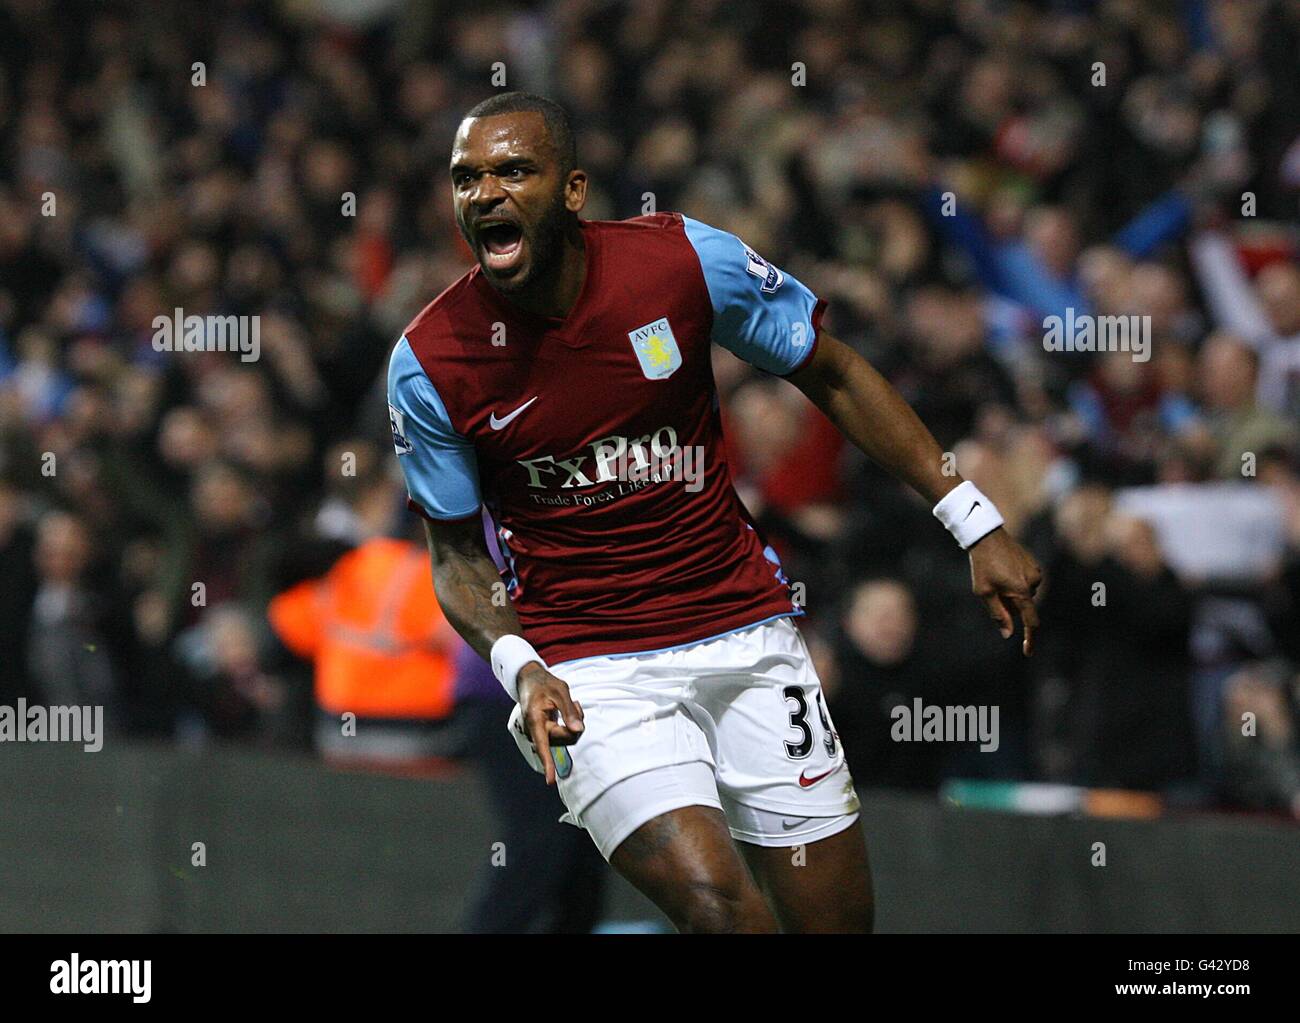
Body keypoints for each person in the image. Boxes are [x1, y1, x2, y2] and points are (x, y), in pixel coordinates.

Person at [386, 92, 1042, 933]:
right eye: (466, 177)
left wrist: (974, 520)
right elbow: (455, 554)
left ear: (574, 189)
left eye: (513, 170)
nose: (486, 193)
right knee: (718, 908)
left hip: (746, 637)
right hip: (593, 672)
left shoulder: (683, 263)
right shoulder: (433, 361)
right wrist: (522, 667)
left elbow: (832, 374)